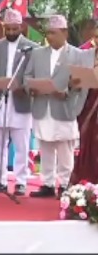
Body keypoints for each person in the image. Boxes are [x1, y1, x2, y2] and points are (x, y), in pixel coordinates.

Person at [25, 15, 89, 198]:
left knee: (64, 149)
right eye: (48, 33)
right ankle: (47, 184)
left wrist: (67, 92)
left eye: (53, 33)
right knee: (45, 147)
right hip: (42, 106)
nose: (50, 37)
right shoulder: (37, 53)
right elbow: (26, 76)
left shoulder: (78, 55)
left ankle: (65, 184)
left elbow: (82, 83)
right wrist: (32, 88)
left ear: (65, 33)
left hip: (64, 108)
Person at [0, 8, 36, 195]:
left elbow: (34, 75)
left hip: (21, 101)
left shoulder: (32, 48)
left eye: (15, 29)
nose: (12, 33)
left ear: (21, 27)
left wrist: (24, 87)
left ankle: (21, 181)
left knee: (21, 144)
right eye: (9, 29)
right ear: (3, 26)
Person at [73, 21, 98, 186]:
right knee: (87, 141)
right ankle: (86, 184)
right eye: (96, 37)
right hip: (87, 103)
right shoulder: (86, 54)